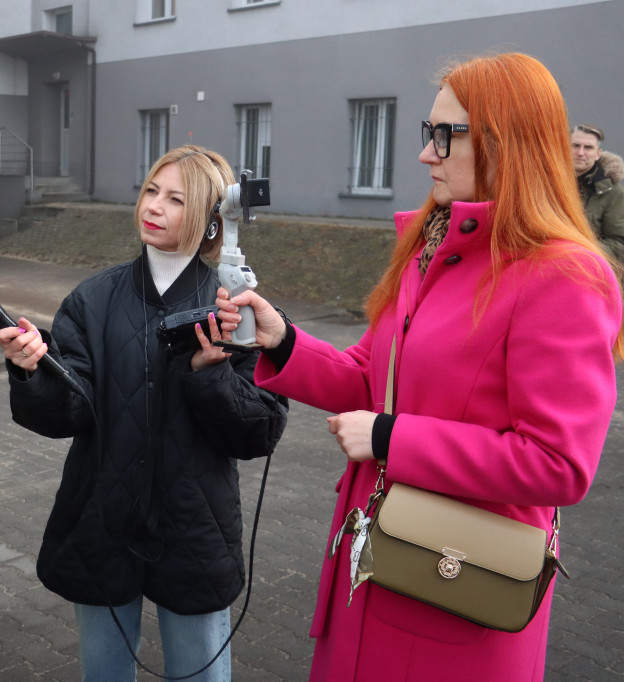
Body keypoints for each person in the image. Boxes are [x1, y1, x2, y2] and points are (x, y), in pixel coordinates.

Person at [215, 53, 624, 681]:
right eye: (426, 133)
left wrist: (388, 438)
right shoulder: (435, 245)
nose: (426, 154)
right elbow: (368, 377)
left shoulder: (565, 274)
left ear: (505, 142)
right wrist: (281, 341)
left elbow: (557, 463)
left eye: (445, 134)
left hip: (456, 587)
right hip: (374, 561)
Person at [0, 145, 287, 680]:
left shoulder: (239, 306)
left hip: (196, 523)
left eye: (176, 199)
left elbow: (259, 431)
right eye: (151, 190)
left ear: (208, 217)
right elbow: (68, 413)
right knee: (104, 670)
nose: (154, 206)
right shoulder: (93, 299)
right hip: (103, 516)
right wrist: (33, 370)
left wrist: (210, 374)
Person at [570, 123, 624, 263]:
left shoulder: (614, 194)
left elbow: (619, 244)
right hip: (545, 271)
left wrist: (577, 252)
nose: (581, 153)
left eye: (588, 147)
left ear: (598, 154)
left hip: (590, 275)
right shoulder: (548, 185)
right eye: (576, 145)